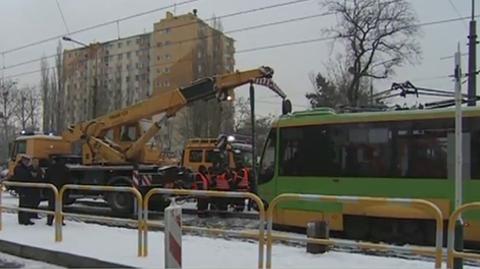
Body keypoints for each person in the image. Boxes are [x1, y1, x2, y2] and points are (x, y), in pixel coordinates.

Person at [12, 155, 35, 225]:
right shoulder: (20, 168)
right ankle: (24, 220)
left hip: (26, 188)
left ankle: (24, 219)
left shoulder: (24, 168)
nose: (28, 162)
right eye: (26, 161)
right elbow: (22, 177)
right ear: (23, 160)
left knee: (25, 203)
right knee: (24, 204)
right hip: (23, 188)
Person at [45, 157, 68, 226]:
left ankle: (50, 220)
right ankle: (60, 220)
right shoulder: (65, 169)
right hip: (61, 189)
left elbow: (46, 178)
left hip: (52, 189)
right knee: (60, 206)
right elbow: (68, 179)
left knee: (51, 206)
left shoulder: (50, 168)